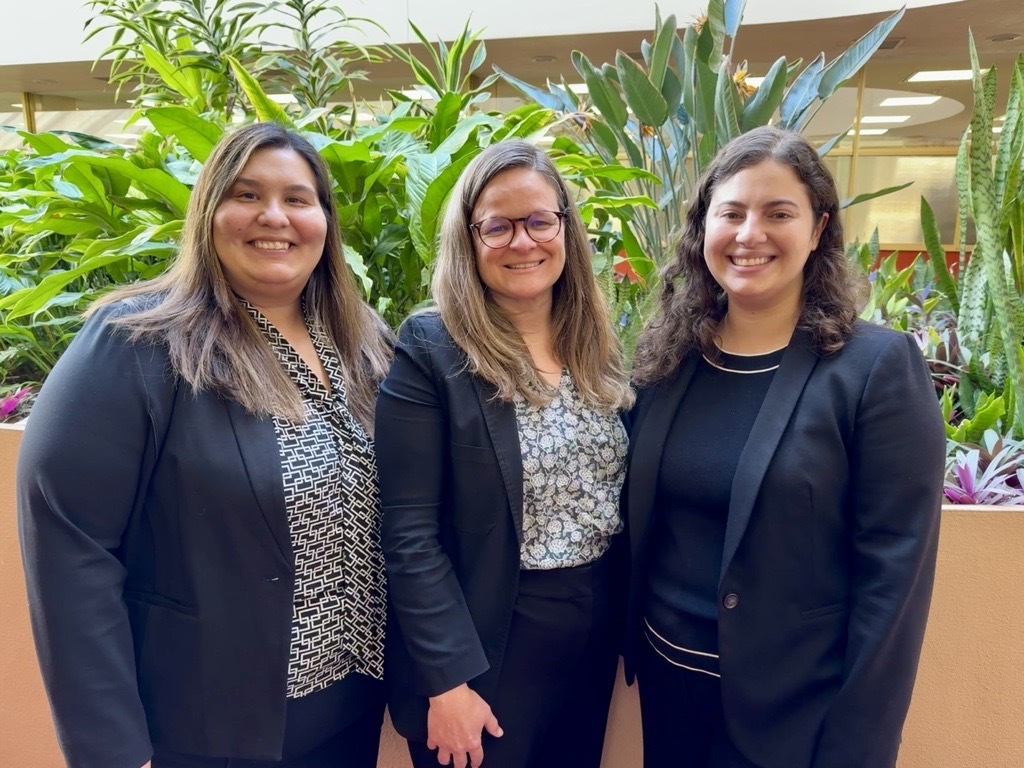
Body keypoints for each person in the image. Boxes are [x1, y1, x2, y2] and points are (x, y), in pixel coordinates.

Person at [17, 122, 393, 768]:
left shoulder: (362, 344)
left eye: (298, 199)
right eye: (247, 194)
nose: (274, 216)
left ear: (324, 222)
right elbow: (71, 544)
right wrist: (112, 750)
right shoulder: (138, 342)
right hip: (204, 726)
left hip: (350, 712)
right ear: (208, 211)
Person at [625, 125, 945, 768]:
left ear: (819, 227)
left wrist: (859, 747)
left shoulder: (875, 368)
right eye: (732, 213)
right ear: (703, 227)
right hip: (669, 694)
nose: (750, 235)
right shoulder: (670, 359)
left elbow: (894, 583)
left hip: (795, 713)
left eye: (779, 214)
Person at [375, 139, 633, 768]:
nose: (524, 242)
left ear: (565, 227)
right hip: (488, 641)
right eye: (499, 225)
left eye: (540, 220)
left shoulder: (596, 344)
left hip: (591, 627)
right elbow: (407, 531)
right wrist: (446, 679)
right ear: (469, 238)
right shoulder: (433, 348)